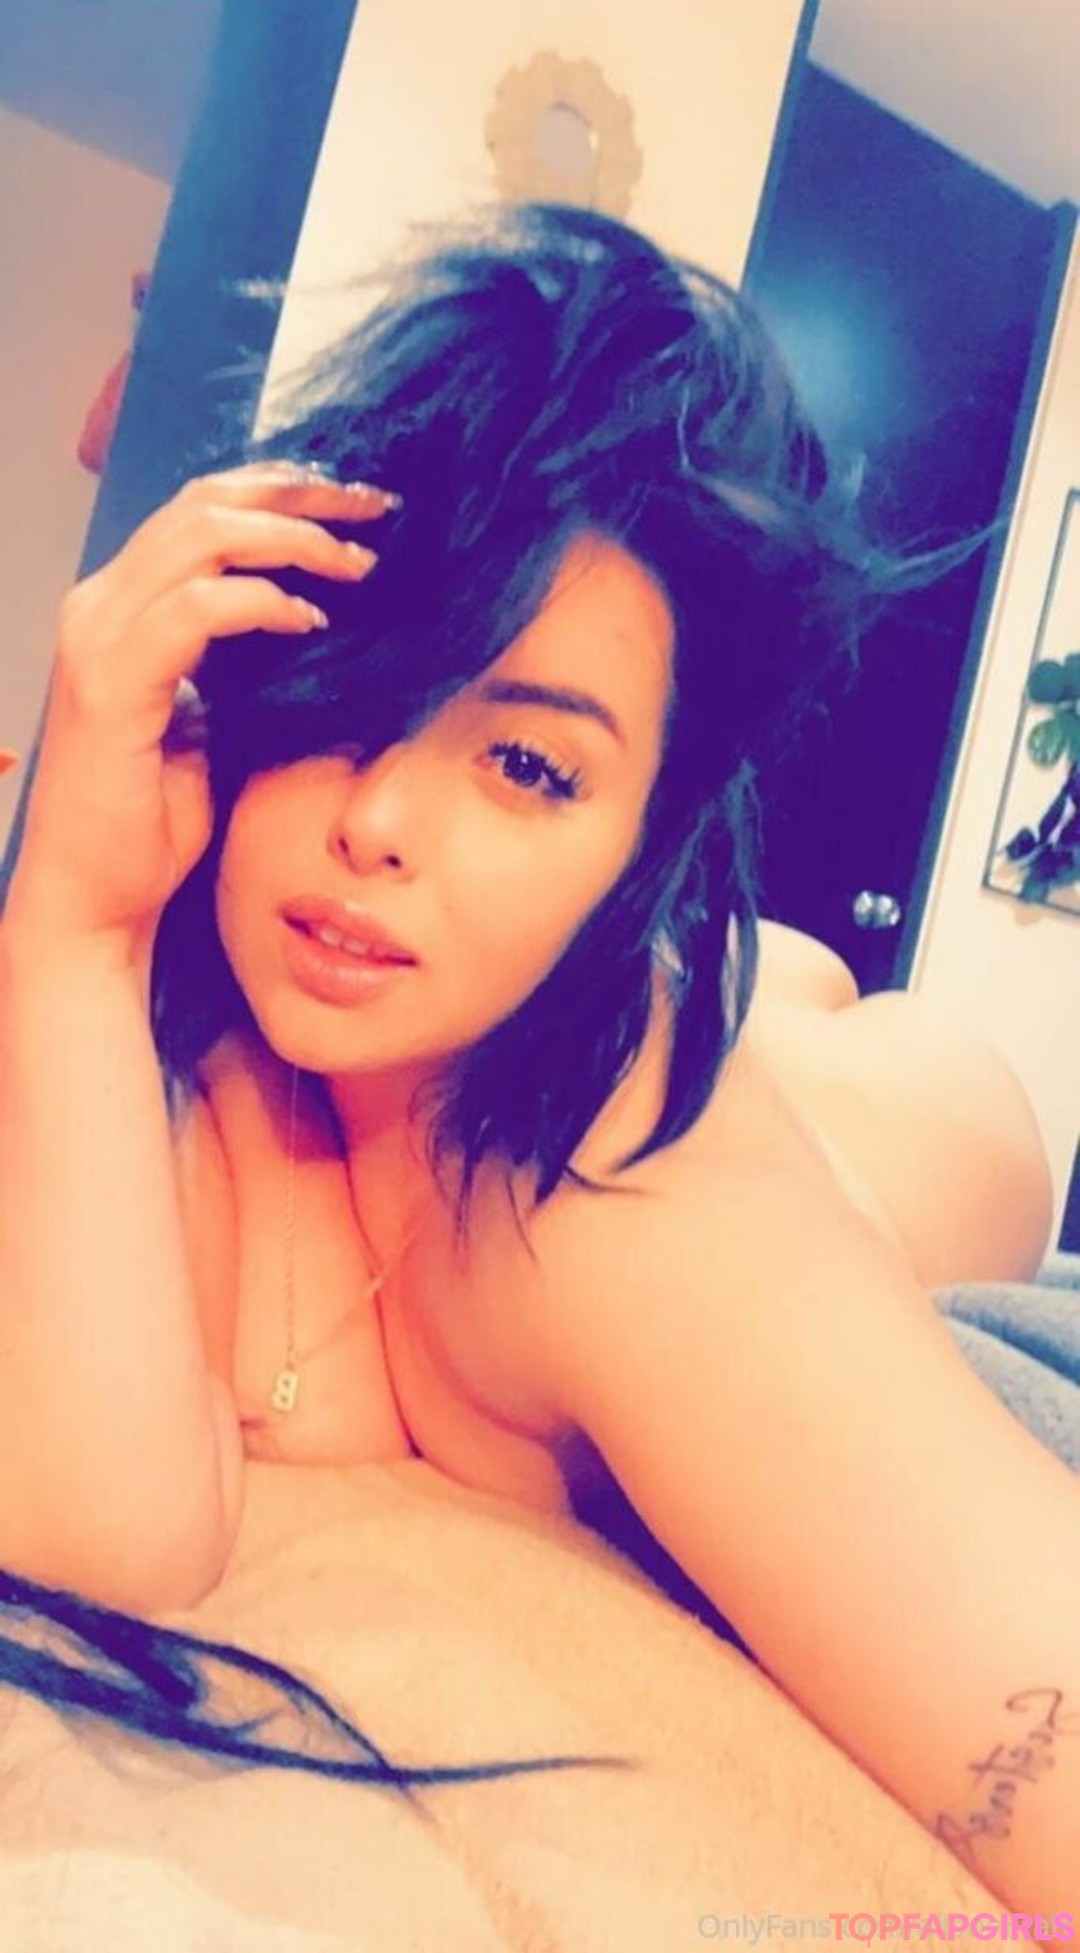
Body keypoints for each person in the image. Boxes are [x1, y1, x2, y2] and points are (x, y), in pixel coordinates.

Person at [0, 204, 1073, 1920]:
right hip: (694, 1003)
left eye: (528, 766)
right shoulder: (203, 1040)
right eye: (348, 699)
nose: (375, 819)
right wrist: (67, 911)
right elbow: (109, 1531)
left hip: (909, 1102)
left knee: (805, 1016)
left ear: (646, 842)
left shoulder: (604, 1188)